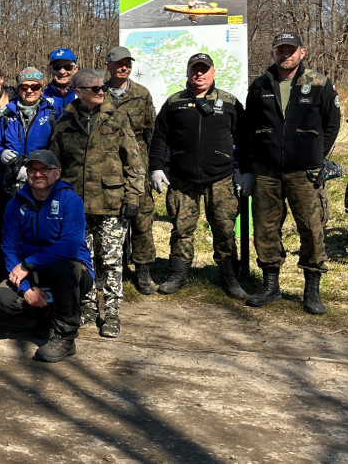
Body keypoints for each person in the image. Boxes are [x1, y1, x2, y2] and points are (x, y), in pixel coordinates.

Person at [244, 32, 340, 314]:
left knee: (311, 229)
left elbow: (331, 125)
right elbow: (250, 127)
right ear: (273, 53)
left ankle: (311, 290)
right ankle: (270, 285)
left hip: (304, 173)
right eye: (280, 51)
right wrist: (250, 167)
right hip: (267, 172)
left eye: (291, 51)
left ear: (302, 52)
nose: (286, 55)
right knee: (265, 228)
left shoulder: (319, 83)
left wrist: (316, 157)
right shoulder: (260, 84)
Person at [50, 68, 144, 339]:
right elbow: (55, 164)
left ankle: (112, 311)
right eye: (94, 88)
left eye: (102, 87)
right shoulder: (65, 122)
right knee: (84, 259)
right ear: (78, 92)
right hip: (76, 205)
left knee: (113, 260)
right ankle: (89, 306)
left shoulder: (117, 118)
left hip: (111, 202)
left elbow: (133, 162)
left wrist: (133, 196)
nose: (101, 91)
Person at [150, 53, 248, 299]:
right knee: (181, 228)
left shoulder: (229, 102)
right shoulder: (174, 102)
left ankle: (229, 277)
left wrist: (244, 170)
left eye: (204, 70)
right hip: (183, 180)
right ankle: (178, 274)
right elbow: (160, 136)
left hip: (221, 178)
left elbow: (245, 139)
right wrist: (157, 167)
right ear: (188, 72)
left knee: (224, 228)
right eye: (195, 70)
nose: (199, 74)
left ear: (213, 73)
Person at [0, 150, 94, 363]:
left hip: (72, 270)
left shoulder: (70, 201)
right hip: (33, 273)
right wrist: (26, 288)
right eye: (33, 169)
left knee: (62, 269)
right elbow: (9, 247)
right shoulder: (16, 204)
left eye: (44, 169)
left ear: (57, 173)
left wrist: (29, 264)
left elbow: (69, 246)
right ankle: (46, 317)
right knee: (3, 297)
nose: (38, 174)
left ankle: (65, 338)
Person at [103, 46, 158, 296]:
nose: (123, 67)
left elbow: (151, 133)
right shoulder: (98, 93)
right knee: (107, 217)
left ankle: (143, 270)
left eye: (127, 63)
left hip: (137, 166)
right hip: (106, 165)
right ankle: (108, 269)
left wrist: (154, 167)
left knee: (142, 216)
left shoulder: (141, 94)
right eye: (118, 63)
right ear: (108, 66)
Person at [0, 67, 56, 195]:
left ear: (42, 89)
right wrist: (1, 153)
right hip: (12, 179)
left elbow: (57, 149)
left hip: (42, 179)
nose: (29, 91)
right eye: (24, 87)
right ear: (18, 89)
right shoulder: (7, 114)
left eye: (35, 87)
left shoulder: (52, 113)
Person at [43, 48, 78, 120]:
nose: (62, 71)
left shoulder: (84, 95)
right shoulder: (42, 97)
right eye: (57, 67)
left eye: (67, 67)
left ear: (75, 69)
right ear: (49, 69)